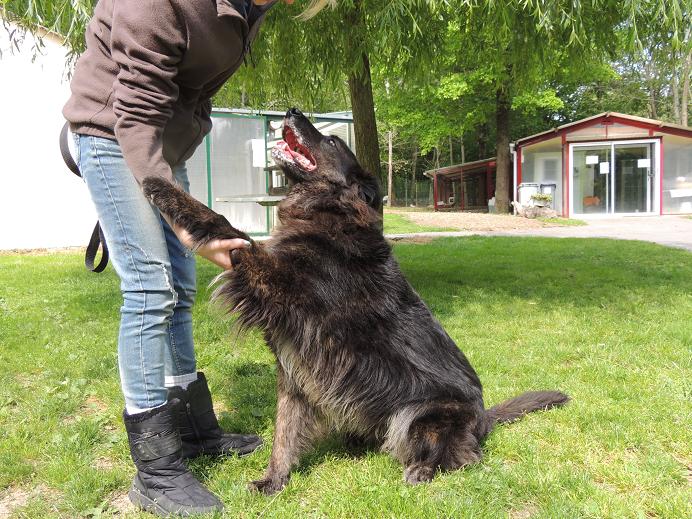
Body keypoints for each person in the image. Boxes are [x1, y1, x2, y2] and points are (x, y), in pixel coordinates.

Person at [63, 0, 333, 515]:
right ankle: (156, 470)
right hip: (116, 138)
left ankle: (192, 430)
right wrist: (189, 226)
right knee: (150, 288)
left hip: (167, 147)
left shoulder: (253, 6)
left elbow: (192, 90)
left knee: (180, 290)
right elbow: (136, 112)